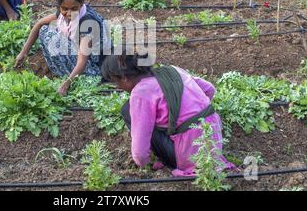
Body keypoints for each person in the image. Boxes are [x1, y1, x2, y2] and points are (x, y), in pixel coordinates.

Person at [101, 52, 235, 176]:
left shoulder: (141, 93)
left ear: (124, 78)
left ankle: (174, 159)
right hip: (213, 140)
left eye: (116, 82)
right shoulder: (171, 70)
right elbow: (210, 89)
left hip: (191, 154)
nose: (117, 87)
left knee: (127, 110)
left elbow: (140, 153)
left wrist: (145, 164)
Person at [15, 0, 109, 95]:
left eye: (74, 9)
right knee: (45, 29)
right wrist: (23, 53)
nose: (69, 13)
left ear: (81, 4)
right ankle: (65, 72)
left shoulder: (87, 22)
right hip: (86, 60)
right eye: (65, 9)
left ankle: (67, 75)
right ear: (60, 6)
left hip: (95, 69)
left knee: (52, 37)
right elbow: (39, 24)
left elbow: (82, 61)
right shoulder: (64, 12)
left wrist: (67, 83)